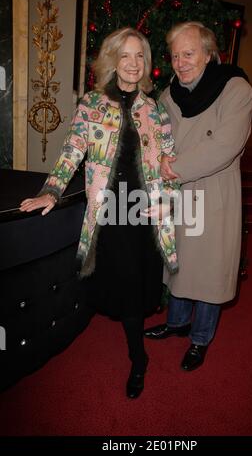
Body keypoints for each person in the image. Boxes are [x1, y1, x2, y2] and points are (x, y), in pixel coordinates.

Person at [20, 27, 178, 398]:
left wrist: (170, 200)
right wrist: (52, 190)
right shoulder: (92, 104)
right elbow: (72, 150)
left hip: (145, 209)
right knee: (122, 277)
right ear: (112, 60)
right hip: (110, 209)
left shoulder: (155, 109)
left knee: (138, 279)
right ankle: (139, 359)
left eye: (140, 56)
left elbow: (168, 158)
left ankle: (137, 351)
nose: (134, 63)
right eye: (125, 55)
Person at [144, 21, 252, 371]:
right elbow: (155, 134)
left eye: (188, 53)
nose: (180, 62)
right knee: (179, 263)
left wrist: (173, 166)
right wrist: (156, 156)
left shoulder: (236, 89)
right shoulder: (169, 94)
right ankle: (177, 323)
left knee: (209, 271)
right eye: (175, 55)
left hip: (213, 191)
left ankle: (200, 338)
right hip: (177, 193)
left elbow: (225, 144)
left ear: (209, 54)